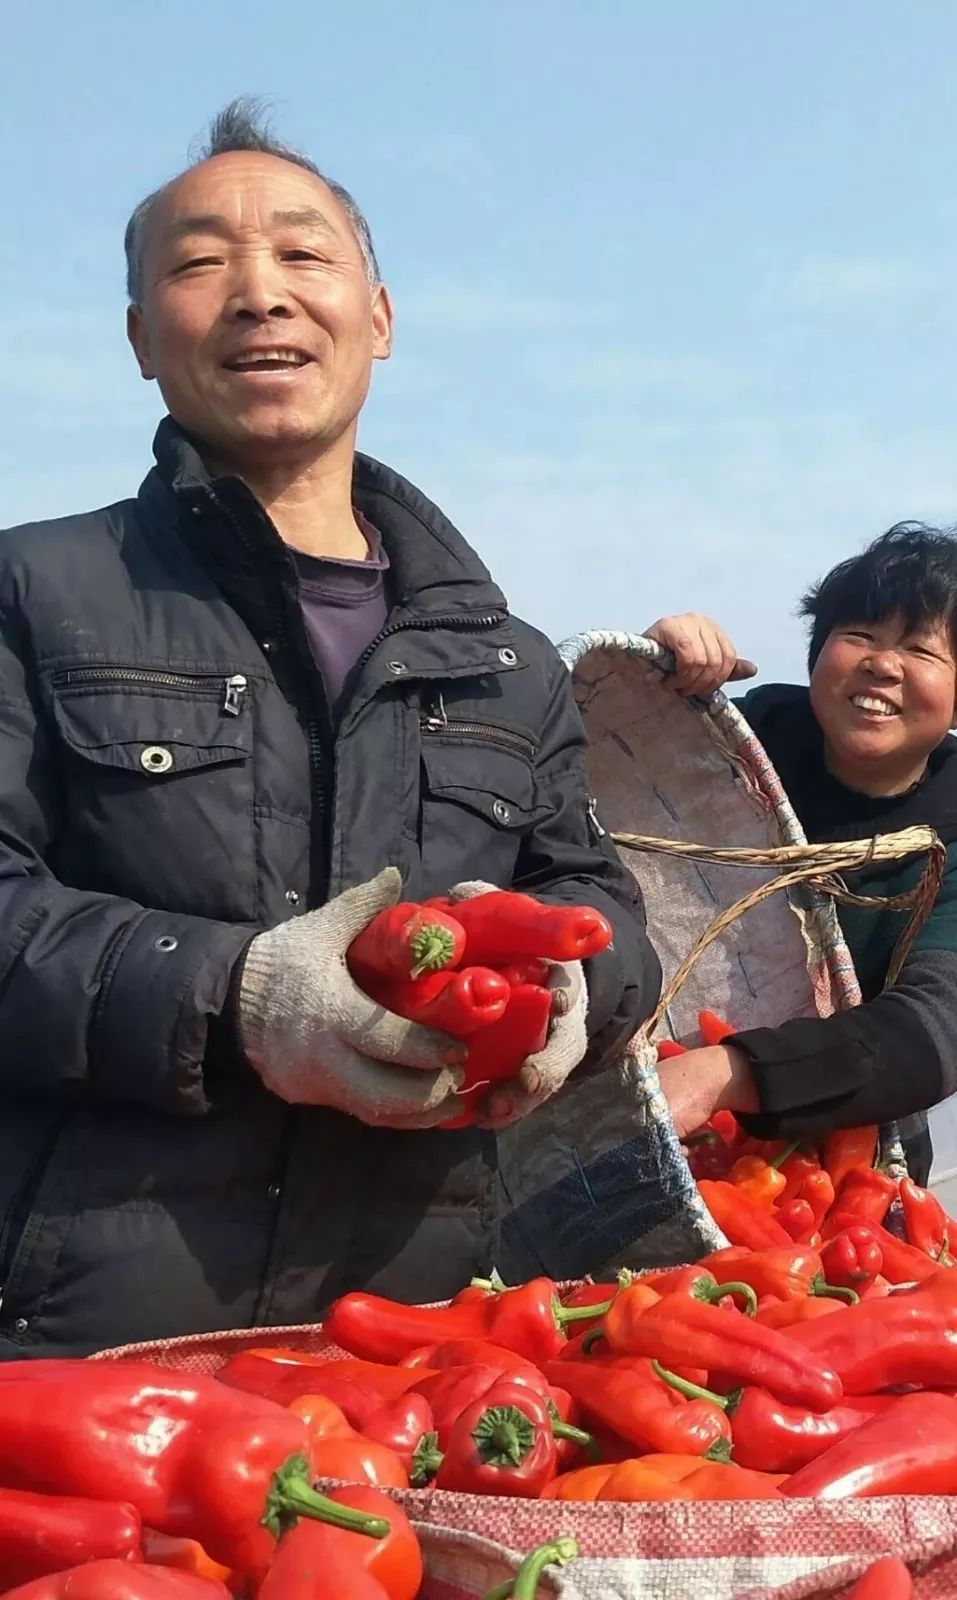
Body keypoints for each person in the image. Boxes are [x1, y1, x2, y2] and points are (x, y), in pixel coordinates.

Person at [0, 102, 660, 1358]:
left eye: (305, 256)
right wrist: (235, 994)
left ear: (383, 317)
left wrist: (580, 990)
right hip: (75, 1355)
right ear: (143, 339)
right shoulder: (33, 593)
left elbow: (598, 906)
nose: (260, 295)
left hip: (415, 1363)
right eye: (200, 265)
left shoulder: (508, 659)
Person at [646, 523, 957, 1183]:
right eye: (859, 635)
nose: (882, 663)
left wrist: (730, 1072)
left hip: (849, 1171)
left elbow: (935, 1030)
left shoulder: (950, 837)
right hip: (648, 1114)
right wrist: (645, 686)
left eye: (920, 648)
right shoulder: (724, 752)